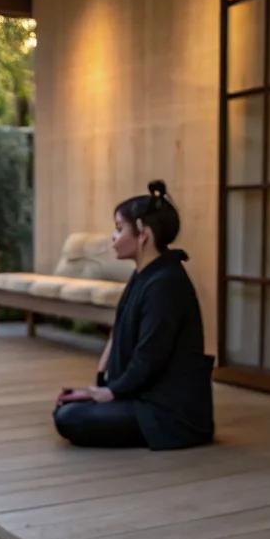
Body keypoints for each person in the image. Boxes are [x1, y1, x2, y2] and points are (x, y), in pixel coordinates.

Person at [53, 180, 214, 450]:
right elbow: (120, 335)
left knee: (71, 418)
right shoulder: (146, 274)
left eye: (118, 229)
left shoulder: (166, 283)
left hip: (167, 411)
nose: (113, 238)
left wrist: (110, 392)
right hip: (139, 396)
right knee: (67, 406)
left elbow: (151, 356)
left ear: (143, 233)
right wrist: (99, 388)